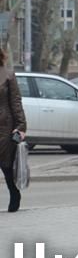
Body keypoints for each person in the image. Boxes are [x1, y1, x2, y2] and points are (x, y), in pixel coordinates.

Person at [0, 48, 27, 212]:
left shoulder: (8, 74)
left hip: (5, 126)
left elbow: (16, 101)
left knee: (6, 165)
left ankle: (14, 193)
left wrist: (21, 126)